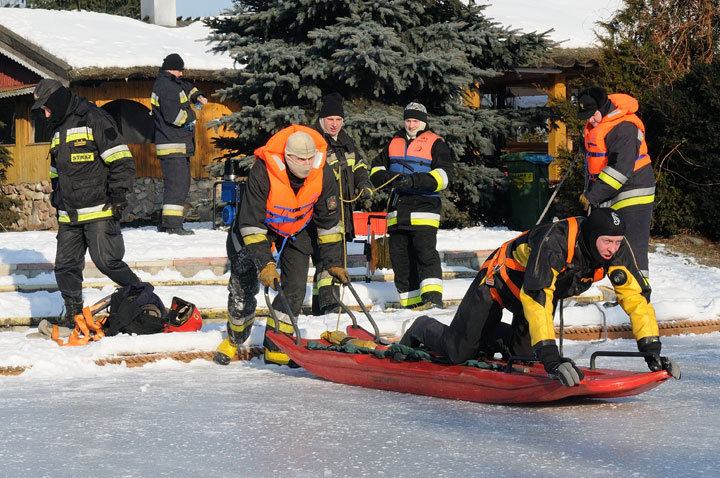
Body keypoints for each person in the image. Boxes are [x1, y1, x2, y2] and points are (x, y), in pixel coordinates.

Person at [399, 208, 680, 386]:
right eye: (607, 242)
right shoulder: (557, 241)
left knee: (525, 360)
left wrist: (651, 350)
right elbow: (537, 296)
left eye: (617, 243)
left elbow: (636, 299)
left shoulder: (616, 250)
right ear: (593, 235)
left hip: (534, 298)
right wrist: (551, 356)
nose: (612, 249)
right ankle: (422, 326)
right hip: (498, 285)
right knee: (458, 352)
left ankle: (489, 336)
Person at [213, 125, 350, 366]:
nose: (306, 164)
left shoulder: (323, 173)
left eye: (310, 159)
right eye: (299, 159)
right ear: (287, 157)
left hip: (296, 228)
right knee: (243, 286)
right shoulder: (263, 171)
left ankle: (276, 344)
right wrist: (265, 264)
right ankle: (235, 338)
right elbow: (251, 224)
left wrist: (333, 263)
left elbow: (328, 224)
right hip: (257, 228)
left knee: (295, 286)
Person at [31, 79, 140, 335]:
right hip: (69, 214)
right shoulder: (57, 129)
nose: (45, 113)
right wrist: (57, 198)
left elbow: (122, 159)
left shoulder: (95, 118)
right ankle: (73, 315)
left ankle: (141, 296)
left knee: (107, 262)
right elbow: (56, 171)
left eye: (46, 107)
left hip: (100, 208)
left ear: (56, 101)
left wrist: (118, 196)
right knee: (65, 266)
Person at [370, 100, 453, 309]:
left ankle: (432, 302)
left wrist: (413, 180)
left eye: (415, 120)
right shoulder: (393, 142)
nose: (411, 124)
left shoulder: (436, 143)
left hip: (424, 210)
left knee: (426, 257)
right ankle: (411, 306)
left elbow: (444, 176)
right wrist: (390, 178)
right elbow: (375, 171)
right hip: (397, 213)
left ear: (423, 122)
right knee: (401, 262)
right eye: (408, 120)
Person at [577, 86, 655, 279]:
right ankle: (613, 287)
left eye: (591, 115)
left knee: (631, 246)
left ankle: (638, 294)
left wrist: (592, 196)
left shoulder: (625, 128)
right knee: (605, 243)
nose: (589, 120)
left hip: (634, 192)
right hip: (609, 193)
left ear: (602, 108)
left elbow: (619, 171)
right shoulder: (601, 122)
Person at [309, 92, 373, 315]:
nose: (334, 124)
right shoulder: (314, 140)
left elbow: (359, 166)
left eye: (338, 120)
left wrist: (363, 184)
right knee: (328, 257)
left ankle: (320, 306)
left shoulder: (346, 141)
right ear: (322, 120)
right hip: (321, 210)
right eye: (330, 120)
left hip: (343, 210)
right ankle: (330, 305)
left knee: (334, 256)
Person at [150, 53, 208, 235]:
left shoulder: (172, 82)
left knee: (178, 184)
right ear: (171, 69)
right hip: (172, 145)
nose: (182, 74)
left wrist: (197, 96)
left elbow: (186, 88)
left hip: (177, 144)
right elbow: (175, 117)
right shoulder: (166, 88)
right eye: (179, 70)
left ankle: (166, 222)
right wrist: (194, 114)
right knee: (177, 186)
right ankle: (173, 226)